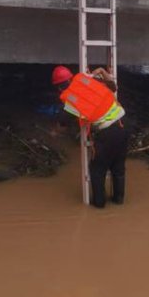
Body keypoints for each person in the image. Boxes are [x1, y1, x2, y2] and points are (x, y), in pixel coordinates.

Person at [51, 65, 128, 208]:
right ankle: (119, 201)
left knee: (97, 170)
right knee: (118, 168)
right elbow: (113, 87)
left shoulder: (69, 98)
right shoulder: (86, 80)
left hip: (106, 133)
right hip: (123, 125)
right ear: (71, 77)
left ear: (59, 87)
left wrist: (55, 132)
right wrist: (102, 71)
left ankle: (99, 206)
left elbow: (64, 122)